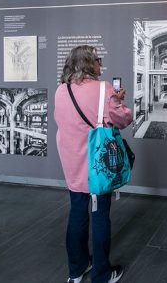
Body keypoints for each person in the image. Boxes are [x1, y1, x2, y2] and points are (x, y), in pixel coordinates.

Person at [54, 45, 133, 283]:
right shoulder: (103, 89)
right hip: (97, 165)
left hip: (71, 162)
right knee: (99, 217)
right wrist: (118, 102)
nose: (101, 63)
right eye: (98, 59)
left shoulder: (61, 90)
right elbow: (124, 119)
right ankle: (102, 274)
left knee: (77, 213)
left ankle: (76, 271)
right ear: (90, 63)